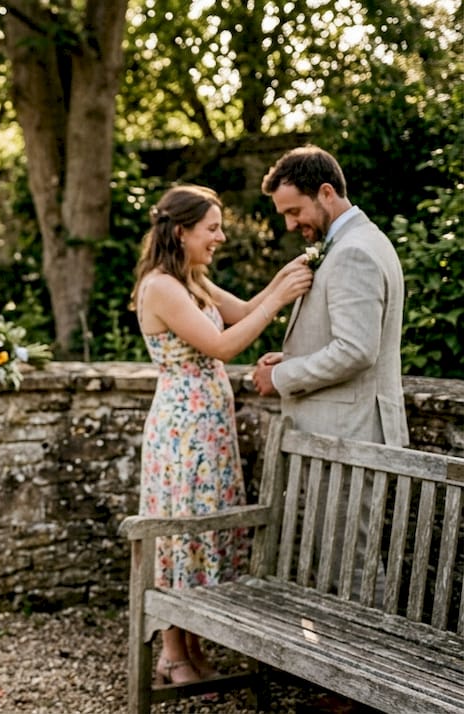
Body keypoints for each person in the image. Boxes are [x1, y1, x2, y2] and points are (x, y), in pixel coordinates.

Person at [131, 185, 312, 686]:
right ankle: (171, 653)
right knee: (182, 528)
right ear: (180, 231)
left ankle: (192, 644)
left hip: (210, 430)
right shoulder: (161, 287)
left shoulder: (192, 280)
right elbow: (223, 344)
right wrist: (280, 297)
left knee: (207, 528)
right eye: (212, 228)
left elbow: (245, 309)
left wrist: (289, 274)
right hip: (182, 432)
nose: (220, 237)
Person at [253, 145, 408, 603]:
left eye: (294, 211)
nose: (289, 225)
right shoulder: (352, 243)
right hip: (342, 433)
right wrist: (290, 358)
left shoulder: (354, 252)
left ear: (325, 192)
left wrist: (282, 378)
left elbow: (356, 350)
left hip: (350, 434)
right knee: (343, 562)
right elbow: (345, 338)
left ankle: (370, 649)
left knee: (354, 569)